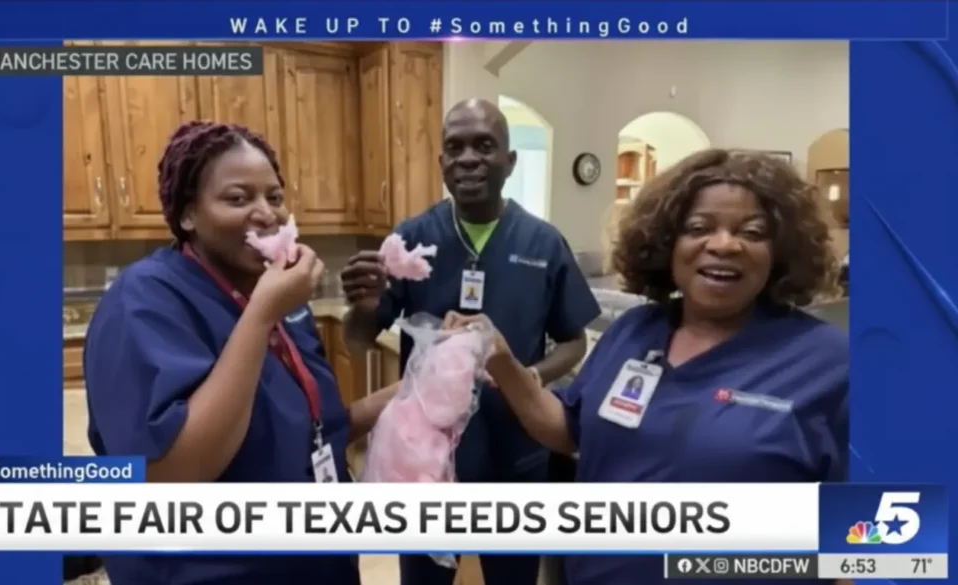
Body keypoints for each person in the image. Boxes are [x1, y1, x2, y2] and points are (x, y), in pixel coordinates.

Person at [449, 149, 849, 585]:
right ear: (666, 243)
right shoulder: (636, 331)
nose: (723, 244)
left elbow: (892, 534)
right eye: (698, 228)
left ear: (781, 250)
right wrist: (504, 364)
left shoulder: (830, 364)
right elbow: (570, 429)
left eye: (751, 232)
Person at [82, 121, 396, 585]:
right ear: (188, 214)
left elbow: (310, 430)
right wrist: (263, 312)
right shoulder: (144, 301)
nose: (265, 213)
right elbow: (171, 473)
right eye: (237, 198)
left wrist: (406, 393)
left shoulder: (277, 296)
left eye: (273, 196)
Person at [340, 99, 601, 585]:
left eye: (485, 146)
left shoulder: (543, 243)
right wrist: (363, 304)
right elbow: (357, 341)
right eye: (454, 148)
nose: (468, 158)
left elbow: (573, 341)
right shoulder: (414, 238)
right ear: (440, 163)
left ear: (510, 161)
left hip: (516, 455)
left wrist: (526, 378)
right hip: (425, 463)